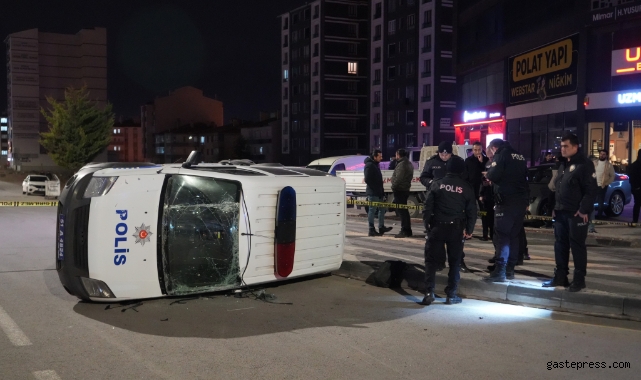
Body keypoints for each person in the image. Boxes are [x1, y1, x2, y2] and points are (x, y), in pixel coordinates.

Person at [543, 133, 598, 292]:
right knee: (560, 245)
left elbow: (591, 190)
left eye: (566, 146)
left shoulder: (584, 164)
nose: (563, 149)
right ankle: (561, 276)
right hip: (561, 212)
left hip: (576, 214)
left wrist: (583, 210)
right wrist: (554, 207)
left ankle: (579, 280)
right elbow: (557, 187)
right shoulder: (563, 164)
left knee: (577, 246)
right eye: (561, 146)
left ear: (575, 147)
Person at [420, 158, 477, 306]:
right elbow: (472, 211)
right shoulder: (466, 187)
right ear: (461, 170)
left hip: (437, 227)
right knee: (455, 262)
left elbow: (428, 207)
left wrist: (427, 225)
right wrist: (469, 230)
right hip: (456, 229)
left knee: (431, 262)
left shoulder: (437, 184)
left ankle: (428, 293)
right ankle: (451, 294)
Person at [483, 138, 529, 282]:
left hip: (506, 201)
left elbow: (493, 175)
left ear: (494, 148)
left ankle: (500, 271)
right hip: (520, 202)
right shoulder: (519, 156)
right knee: (514, 236)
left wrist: (488, 173)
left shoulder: (501, 155)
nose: (490, 156)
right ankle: (510, 270)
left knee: (502, 236)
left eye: (490, 152)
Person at [420, 141, 467, 270]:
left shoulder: (458, 162)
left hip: (454, 200)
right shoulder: (432, 162)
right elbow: (423, 177)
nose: (444, 156)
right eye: (442, 154)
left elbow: (465, 178)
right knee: (438, 236)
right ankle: (439, 262)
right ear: (438, 153)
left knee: (456, 237)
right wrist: (431, 184)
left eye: (447, 154)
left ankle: (459, 261)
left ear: (451, 153)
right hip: (437, 199)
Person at [364, 150, 393, 237]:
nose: (381, 158)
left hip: (379, 192)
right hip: (373, 193)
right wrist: (376, 189)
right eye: (380, 156)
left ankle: (381, 227)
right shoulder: (369, 165)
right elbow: (368, 179)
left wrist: (381, 191)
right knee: (372, 210)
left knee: (382, 209)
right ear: (374, 157)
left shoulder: (375, 165)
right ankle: (371, 229)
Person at [464, 142, 489, 236]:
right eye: (475, 150)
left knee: (484, 212)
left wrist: (482, 162)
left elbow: (487, 172)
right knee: (469, 211)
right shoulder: (468, 161)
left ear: (482, 150)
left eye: (479, 150)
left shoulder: (486, 160)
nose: (477, 152)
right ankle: (468, 232)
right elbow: (465, 175)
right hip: (471, 189)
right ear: (472, 150)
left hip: (482, 190)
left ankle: (485, 234)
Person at [391, 149, 414, 238]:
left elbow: (398, 178)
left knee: (402, 212)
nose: (395, 156)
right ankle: (407, 230)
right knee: (404, 211)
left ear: (398, 155)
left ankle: (404, 230)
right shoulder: (408, 163)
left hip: (400, 189)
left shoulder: (402, 164)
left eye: (396, 154)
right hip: (405, 189)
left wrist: (393, 186)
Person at [592, 149, 615, 219]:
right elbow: (589, 172)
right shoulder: (594, 163)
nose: (602, 155)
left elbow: (612, 176)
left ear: (606, 155)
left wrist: (606, 183)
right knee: (591, 201)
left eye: (603, 154)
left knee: (600, 201)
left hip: (602, 185)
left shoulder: (609, 165)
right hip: (593, 185)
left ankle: (599, 216)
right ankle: (591, 217)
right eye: (601, 154)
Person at [629, 149, 641, 224]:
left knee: (637, 204)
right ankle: (635, 220)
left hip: (636, 188)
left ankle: (635, 220)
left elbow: (631, 178)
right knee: (637, 204)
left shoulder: (633, 165)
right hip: (637, 188)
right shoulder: (635, 165)